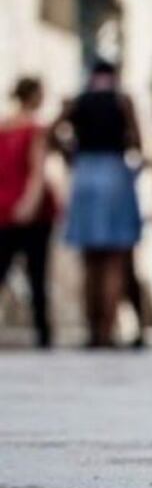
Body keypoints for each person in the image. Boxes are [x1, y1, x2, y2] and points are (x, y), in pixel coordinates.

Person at [58, 60, 142, 348]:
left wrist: (71, 155)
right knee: (114, 259)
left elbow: (53, 133)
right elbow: (138, 144)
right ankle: (107, 330)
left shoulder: (78, 101)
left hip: (84, 174)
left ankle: (93, 330)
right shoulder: (122, 101)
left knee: (90, 259)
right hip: (114, 174)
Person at [0, 78, 57, 348]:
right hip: (28, 207)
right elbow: (37, 170)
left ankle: (43, 331)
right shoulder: (35, 129)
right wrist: (30, 203)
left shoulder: (4, 126)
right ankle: (43, 332)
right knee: (37, 272)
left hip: (5, 203)